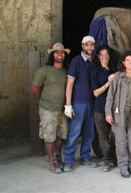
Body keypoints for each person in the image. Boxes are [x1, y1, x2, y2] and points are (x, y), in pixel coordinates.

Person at [31, 43, 70, 174]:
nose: (60, 54)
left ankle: (58, 156)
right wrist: (42, 101)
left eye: (62, 52)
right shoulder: (44, 70)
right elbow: (35, 88)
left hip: (62, 109)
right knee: (49, 136)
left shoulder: (66, 71)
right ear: (52, 54)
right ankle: (51, 161)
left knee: (61, 135)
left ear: (64, 55)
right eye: (57, 52)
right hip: (47, 109)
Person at [105, 51, 131, 178]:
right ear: (123, 62)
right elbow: (110, 97)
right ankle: (123, 166)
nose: (130, 62)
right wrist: (108, 113)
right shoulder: (117, 77)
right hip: (118, 114)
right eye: (128, 60)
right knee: (120, 142)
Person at [63, 36, 98, 172]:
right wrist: (68, 104)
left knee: (89, 132)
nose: (89, 47)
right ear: (82, 46)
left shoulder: (95, 61)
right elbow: (70, 83)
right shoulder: (76, 61)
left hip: (91, 102)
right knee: (74, 132)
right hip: (78, 102)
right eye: (87, 45)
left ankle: (85, 156)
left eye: (92, 45)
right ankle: (69, 159)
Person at [90, 45, 116, 172]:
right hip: (100, 108)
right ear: (98, 56)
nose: (104, 57)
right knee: (103, 135)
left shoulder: (114, 69)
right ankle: (107, 160)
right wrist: (108, 83)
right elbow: (96, 93)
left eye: (107, 54)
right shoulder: (95, 71)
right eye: (102, 54)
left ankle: (116, 158)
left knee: (116, 134)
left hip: (114, 108)